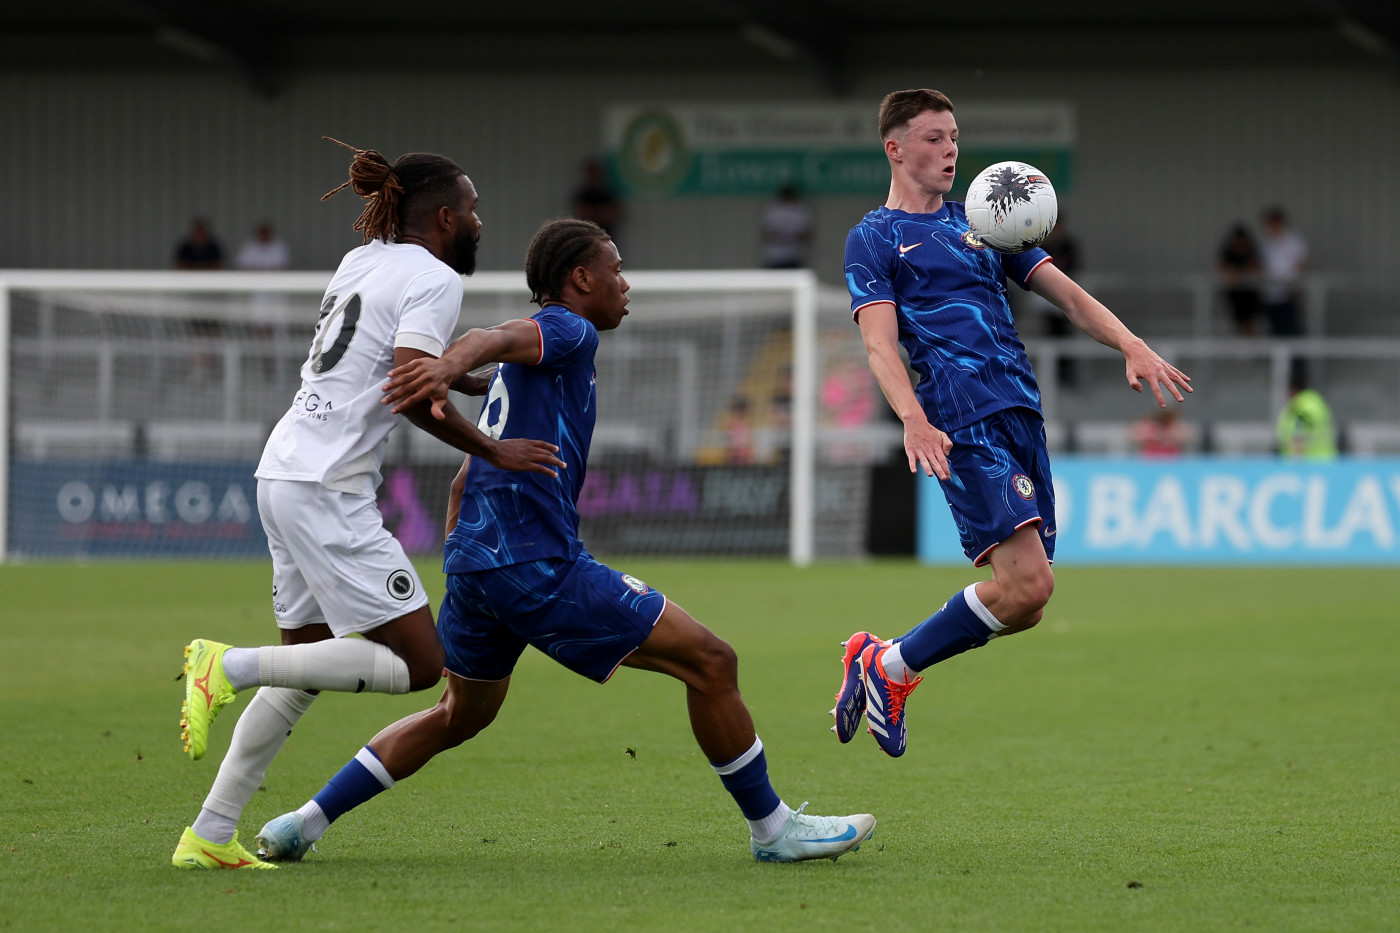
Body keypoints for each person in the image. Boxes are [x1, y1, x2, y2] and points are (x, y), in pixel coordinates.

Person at [254, 219, 876, 864]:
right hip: (536, 562)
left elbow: (462, 485)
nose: (625, 284)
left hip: (476, 567)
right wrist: (446, 367)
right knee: (711, 661)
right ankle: (775, 831)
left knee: (458, 714)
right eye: (616, 269)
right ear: (581, 279)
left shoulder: (524, 377)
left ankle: (303, 822)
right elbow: (487, 336)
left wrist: (470, 563)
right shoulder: (570, 332)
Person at [170, 140, 565, 871]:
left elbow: (386, 357)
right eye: (472, 209)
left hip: (283, 468)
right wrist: (493, 448)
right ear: (445, 217)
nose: (480, 220)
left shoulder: (364, 261)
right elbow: (408, 388)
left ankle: (210, 832)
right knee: (420, 663)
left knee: (306, 669)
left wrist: (463, 380)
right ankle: (227, 663)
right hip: (328, 487)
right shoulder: (437, 277)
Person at [835, 89, 1191, 758]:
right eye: (935, 138)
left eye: (954, 137)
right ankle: (890, 669)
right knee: (1029, 586)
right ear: (897, 148)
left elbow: (1068, 295)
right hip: (960, 419)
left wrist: (1131, 343)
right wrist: (912, 417)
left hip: (1021, 412)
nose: (951, 150)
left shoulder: (983, 220)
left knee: (1025, 604)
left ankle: (881, 659)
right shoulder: (875, 237)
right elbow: (879, 343)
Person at [1259, 207, 1307, 337]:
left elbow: (1300, 266)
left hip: (1288, 294)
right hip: (1270, 295)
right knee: (1274, 331)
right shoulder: (1266, 243)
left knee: (1291, 330)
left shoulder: (1294, 241)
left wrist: (1295, 287)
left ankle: (1296, 358)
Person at [1276, 361, 1336, 459]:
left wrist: (1297, 465)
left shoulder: (1300, 407)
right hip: (1327, 462)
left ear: (1292, 389)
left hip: (1309, 466)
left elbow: (1299, 438)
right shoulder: (1316, 401)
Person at [1217, 223, 1262, 336]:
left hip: (1250, 295)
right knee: (1236, 324)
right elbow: (1222, 269)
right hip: (1234, 294)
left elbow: (1257, 268)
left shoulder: (1251, 251)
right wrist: (1238, 275)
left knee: (1250, 323)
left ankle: (1251, 347)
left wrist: (1240, 275)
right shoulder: (1228, 252)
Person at [760, 183, 814, 269]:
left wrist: (792, 237)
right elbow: (765, 233)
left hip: (794, 255)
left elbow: (807, 234)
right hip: (775, 256)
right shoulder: (773, 210)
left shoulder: (801, 210)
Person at [571, 158, 624, 242]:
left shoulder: (609, 193)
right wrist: (602, 212)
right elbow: (583, 214)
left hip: (607, 238)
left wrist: (594, 213)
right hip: (587, 238)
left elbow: (613, 215)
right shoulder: (582, 194)